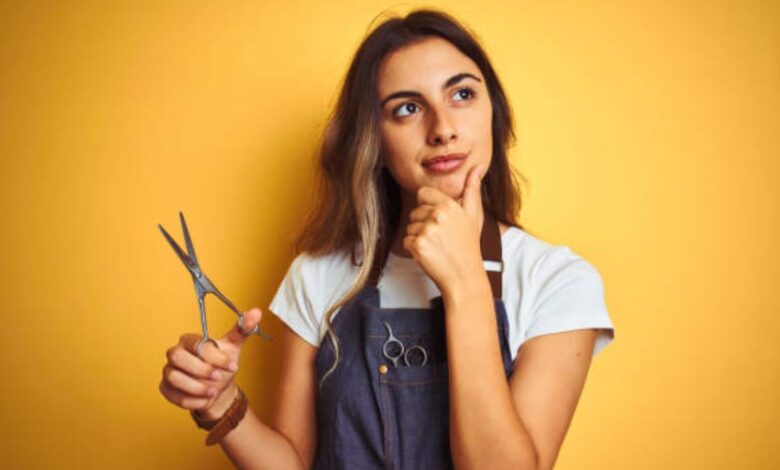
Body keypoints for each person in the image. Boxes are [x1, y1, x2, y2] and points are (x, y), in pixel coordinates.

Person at [159, 8, 615, 469]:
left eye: (461, 94)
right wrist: (221, 404)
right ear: (373, 139)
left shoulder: (558, 280)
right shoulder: (318, 274)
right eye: (407, 108)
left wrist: (465, 282)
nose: (442, 129)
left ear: (494, 112)